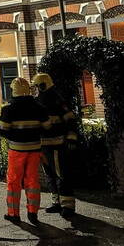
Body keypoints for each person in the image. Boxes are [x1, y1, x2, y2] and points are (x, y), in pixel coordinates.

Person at [0, 77, 50, 225]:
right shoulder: (39, 108)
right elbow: (47, 126)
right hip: (34, 150)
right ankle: (33, 213)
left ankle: (13, 214)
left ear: (13, 91)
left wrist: (13, 135)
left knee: (14, 182)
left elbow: (1, 129)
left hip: (16, 150)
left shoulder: (8, 109)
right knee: (32, 180)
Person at [31, 73, 78, 217]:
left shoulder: (58, 100)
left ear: (43, 85)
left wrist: (71, 138)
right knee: (50, 175)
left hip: (58, 144)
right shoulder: (38, 101)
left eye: (38, 86)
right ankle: (56, 202)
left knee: (61, 174)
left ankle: (68, 206)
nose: (37, 89)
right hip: (44, 145)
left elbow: (70, 120)